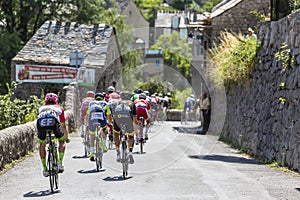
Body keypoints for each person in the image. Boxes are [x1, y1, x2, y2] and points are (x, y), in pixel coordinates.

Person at [36, 93, 69, 177]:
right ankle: (60, 163)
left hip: (41, 123)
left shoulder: (40, 108)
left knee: (42, 144)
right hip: (53, 122)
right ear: (56, 101)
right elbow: (62, 124)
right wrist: (66, 136)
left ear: (45, 101)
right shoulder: (59, 108)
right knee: (61, 141)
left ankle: (44, 169)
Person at [111, 91, 137, 164]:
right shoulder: (132, 103)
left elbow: (113, 115)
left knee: (116, 134)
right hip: (128, 120)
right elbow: (135, 118)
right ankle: (130, 153)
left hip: (118, 119)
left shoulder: (116, 103)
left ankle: (118, 153)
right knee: (131, 136)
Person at [86, 92, 112, 161]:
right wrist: (109, 123)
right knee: (104, 129)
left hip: (92, 119)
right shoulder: (105, 103)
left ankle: (91, 152)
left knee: (92, 135)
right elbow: (109, 115)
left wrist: (87, 124)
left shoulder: (91, 103)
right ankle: (103, 145)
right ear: (103, 98)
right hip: (101, 118)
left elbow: (88, 114)